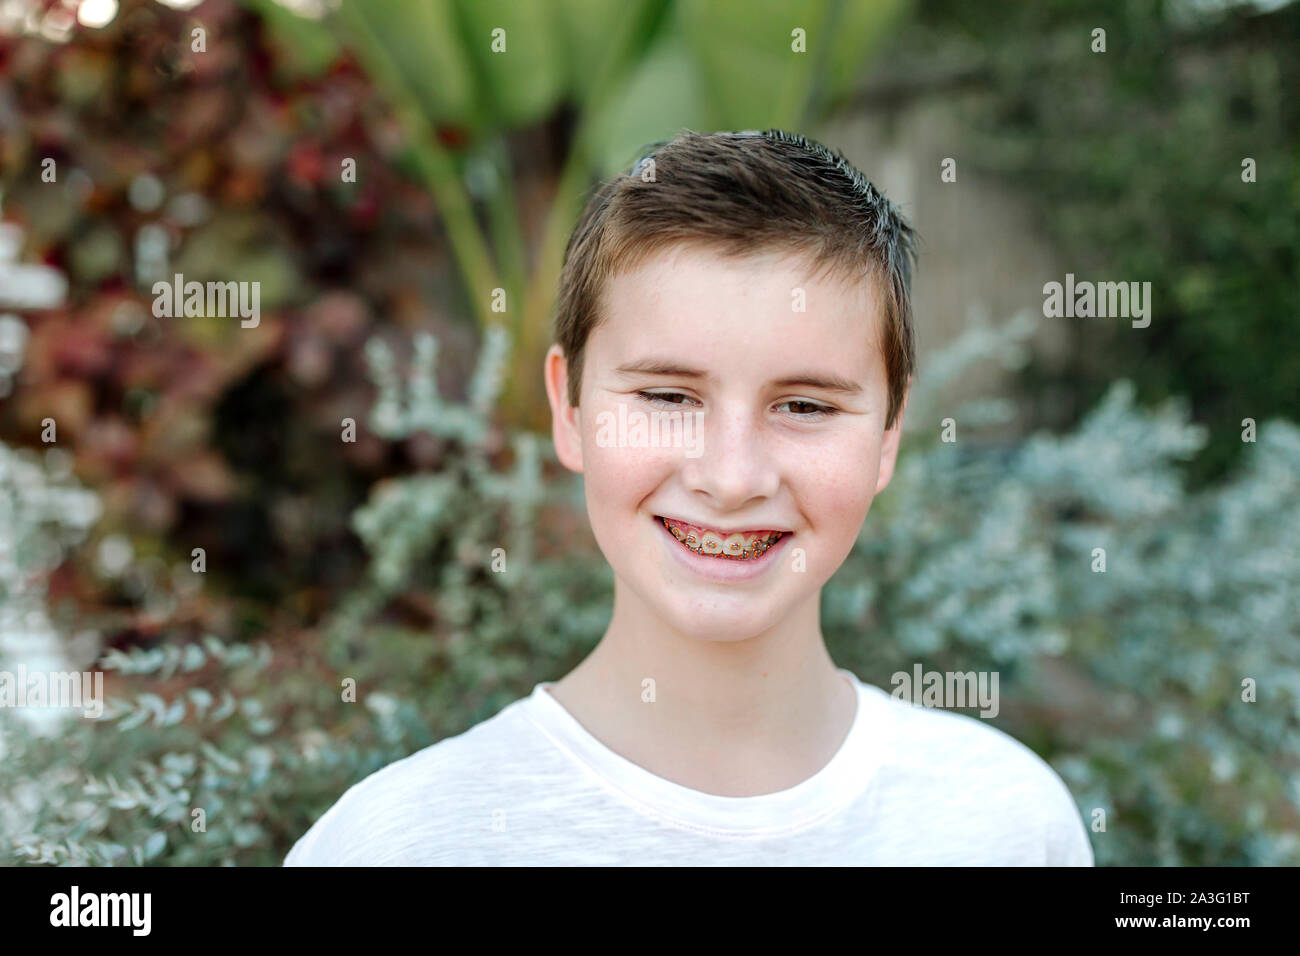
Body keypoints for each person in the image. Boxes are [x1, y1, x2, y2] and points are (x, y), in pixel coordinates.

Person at [284, 129, 1094, 866]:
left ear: (888, 433)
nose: (731, 477)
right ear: (570, 411)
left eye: (805, 406)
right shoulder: (402, 845)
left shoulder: (1007, 824)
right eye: (668, 398)